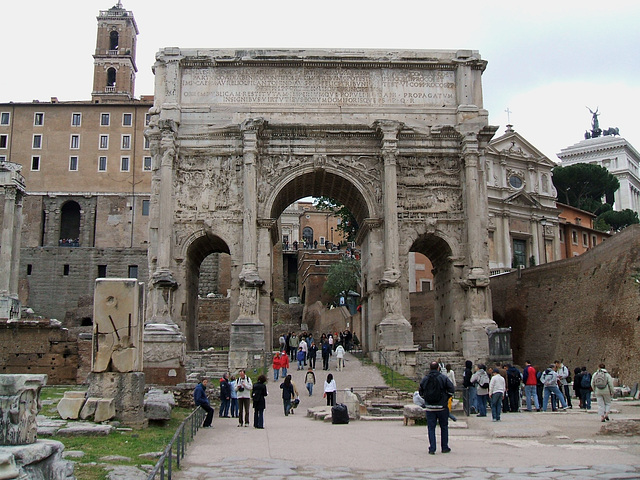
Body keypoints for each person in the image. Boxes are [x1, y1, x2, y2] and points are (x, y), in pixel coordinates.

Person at [419, 361, 455, 455]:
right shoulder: (443, 378)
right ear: (438, 368)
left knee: (431, 428)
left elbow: (420, 391)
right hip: (442, 407)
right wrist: (446, 398)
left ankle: (432, 448)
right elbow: (451, 389)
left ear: (430, 368)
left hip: (430, 407)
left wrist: (426, 399)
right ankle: (444, 447)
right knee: (444, 427)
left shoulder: (425, 379)